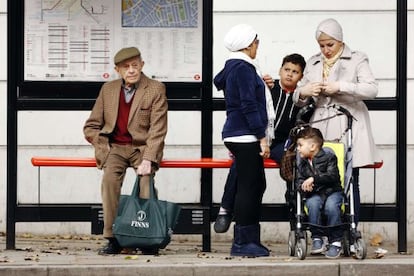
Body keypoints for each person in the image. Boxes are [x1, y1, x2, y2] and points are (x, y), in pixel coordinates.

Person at [293, 18, 380, 226]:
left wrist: (341, 86)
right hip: (321, 126)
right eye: (321, 46)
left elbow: (371, 89)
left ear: (340, 41)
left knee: (350, 179)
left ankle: (350, 229)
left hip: (348, 123)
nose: (326, 50)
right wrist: (304, 92)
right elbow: (298, 95)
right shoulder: (314, 62)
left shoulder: (357, 59)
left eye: (330, 45)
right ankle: (322, 232)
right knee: (319, 178)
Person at [83, 46, 168, 255]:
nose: (131, 70)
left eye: (135, 65)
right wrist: (104, 147)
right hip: (116, 148)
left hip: (142, 148)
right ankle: (113, 238)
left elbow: (158, 129)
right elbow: (91, 126)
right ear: (117, 70)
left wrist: (148, 158)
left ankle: (148, 238)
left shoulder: (155, 88)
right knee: (109, 182)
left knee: (146, 184)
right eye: (126, 67)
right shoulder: (108, 89)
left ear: (142, 65)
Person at [214, 53, 308, 233]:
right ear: (280, 70)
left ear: (301, 76)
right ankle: (225, 209)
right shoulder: (267, 88)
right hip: (260, 138)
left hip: (282, 143)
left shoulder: (301, 98)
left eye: (295, 72)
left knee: (293, 162)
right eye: (286, 69)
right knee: (239, 164)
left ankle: (295, 214)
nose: (289, 74)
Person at [213, 23, 272, 257]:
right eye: (256, 43)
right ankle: (243, 242)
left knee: (254, 184)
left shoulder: (235, 66)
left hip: (237, 133)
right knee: (250, 188)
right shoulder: (243, 68)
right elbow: (249, 104)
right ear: (248, 45)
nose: (258, 47)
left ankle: (245, 235)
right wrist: (262, 137)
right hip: (246, 135)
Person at [295, 127, 343, 259]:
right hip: (314, 194)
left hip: (332, 191)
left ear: (312, 146)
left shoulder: (329, 157)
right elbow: (298, 182)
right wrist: (303, 187)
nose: (297, 148)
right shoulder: (302, 164)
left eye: (300, 145)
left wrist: (314, 179)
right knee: (312, 204)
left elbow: (333, 176)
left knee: (331, 206)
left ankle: (335, 241)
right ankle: (317, 237)